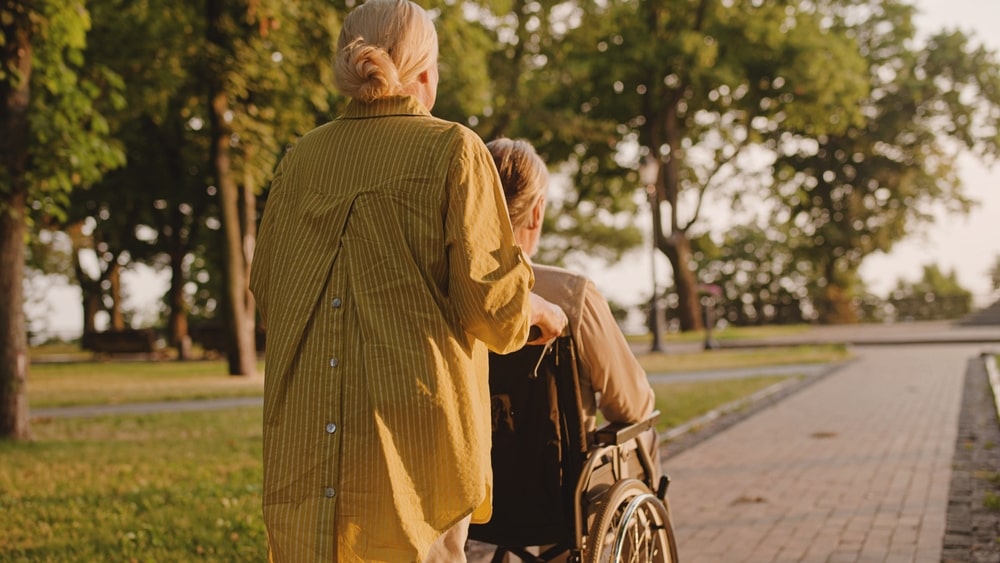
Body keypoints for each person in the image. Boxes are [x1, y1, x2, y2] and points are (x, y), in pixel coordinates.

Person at [249, 2, 566, 561]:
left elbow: (272, 295)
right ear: (425, 72)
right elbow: (491, 308)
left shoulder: (299, 160)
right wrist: (540, 311)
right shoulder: (453, 149)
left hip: (302, 442)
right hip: (413, 448)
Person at [485, 137, 656, 435]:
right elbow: (632, 403)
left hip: (474, 466)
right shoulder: (571, 293)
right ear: (537, 212)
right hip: (555, 474)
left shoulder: (443, 289)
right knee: (642, 435)